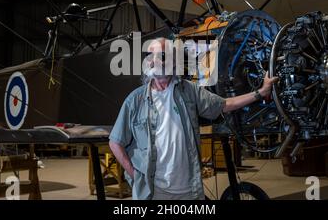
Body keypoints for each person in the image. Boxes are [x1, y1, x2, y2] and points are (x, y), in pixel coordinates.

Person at [109, 38, 278, 200]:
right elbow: (115, 142)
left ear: (173, 62)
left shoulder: (189, 91)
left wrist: (261, 93)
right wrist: (136, 175)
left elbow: (224, 104)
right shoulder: (135, 100)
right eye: (148, 55)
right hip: (153, 191)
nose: (152, 61)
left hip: (189, 190)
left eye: (160, 56)